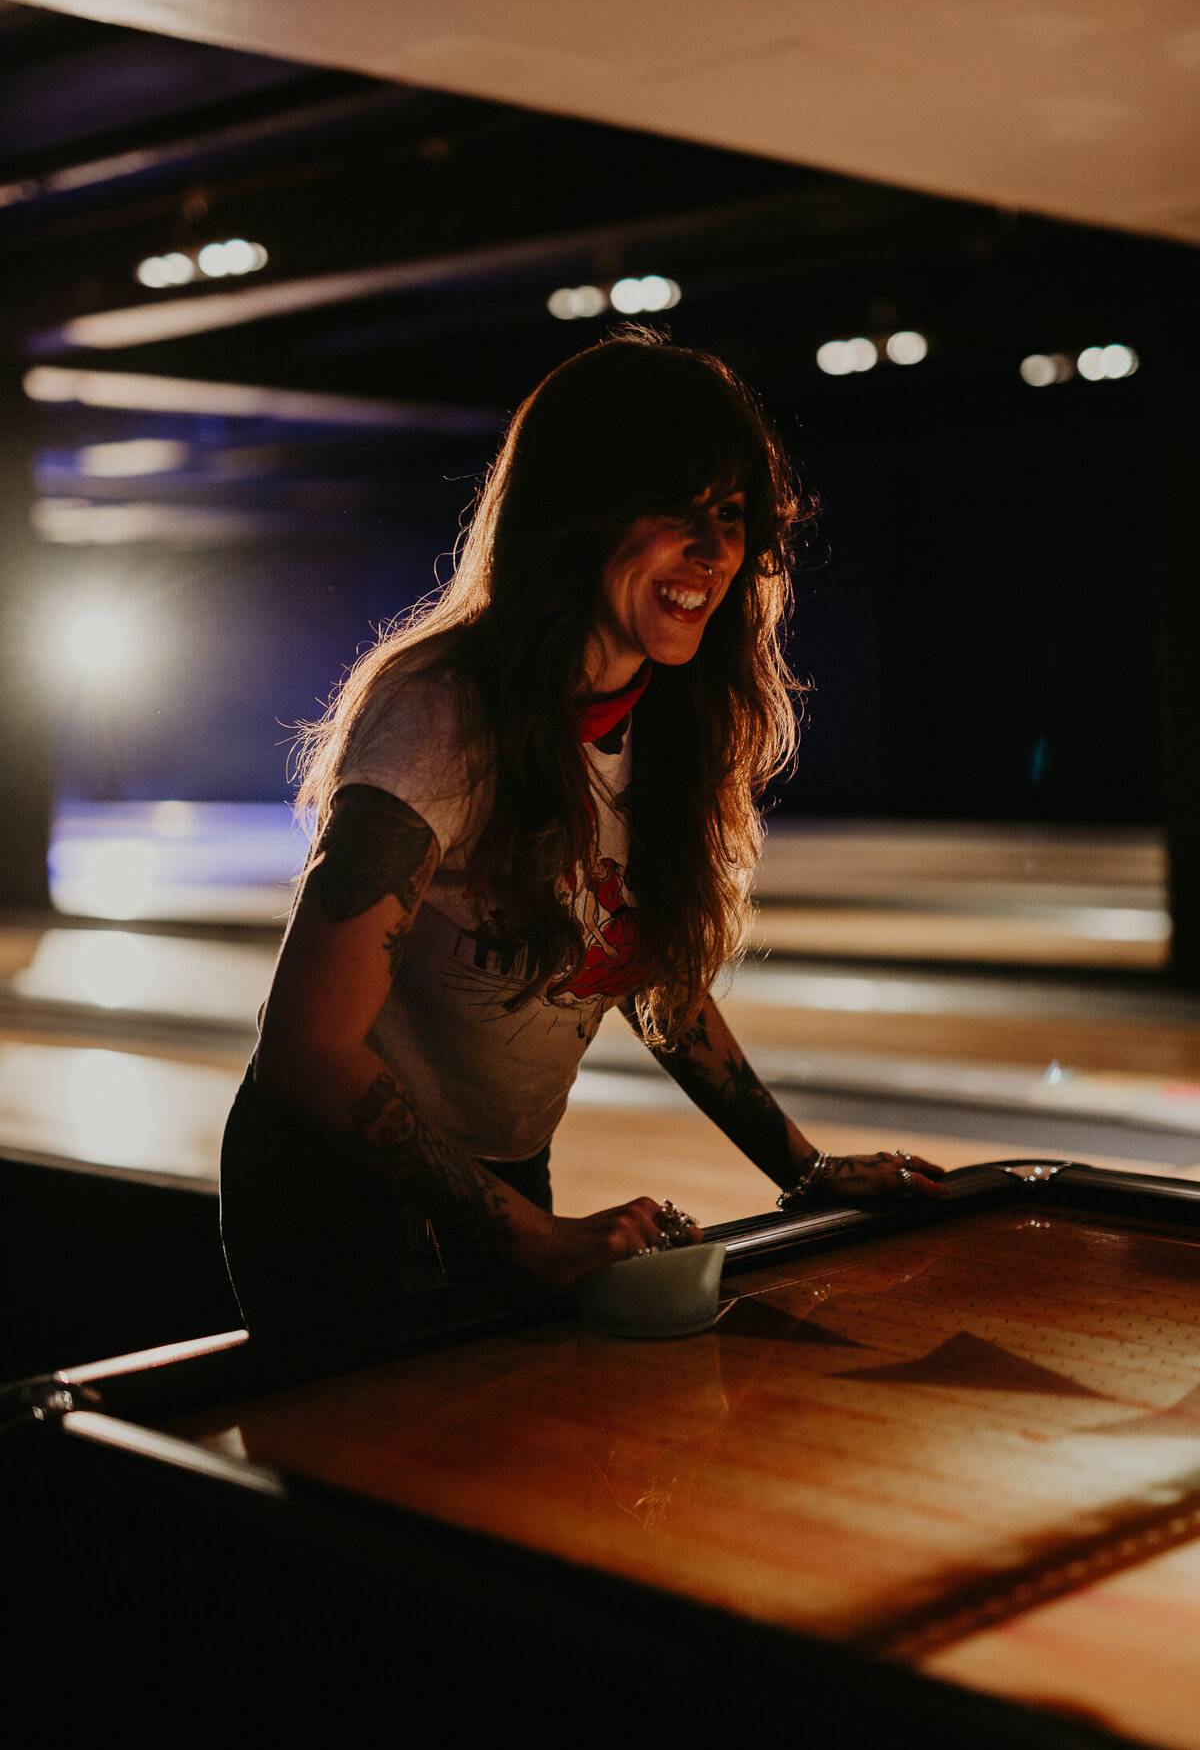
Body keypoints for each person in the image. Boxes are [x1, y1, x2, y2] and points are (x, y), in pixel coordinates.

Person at [220, 330, 944, 1342]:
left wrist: (804, 1169)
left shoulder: (669, 722)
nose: (713, 552)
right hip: (337, 1197)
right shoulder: (443, 715)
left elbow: (644, 970)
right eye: (675, 511)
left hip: (507, 1176)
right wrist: (532, 1239)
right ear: (576, 513)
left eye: (731, 517)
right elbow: (306, 1047)